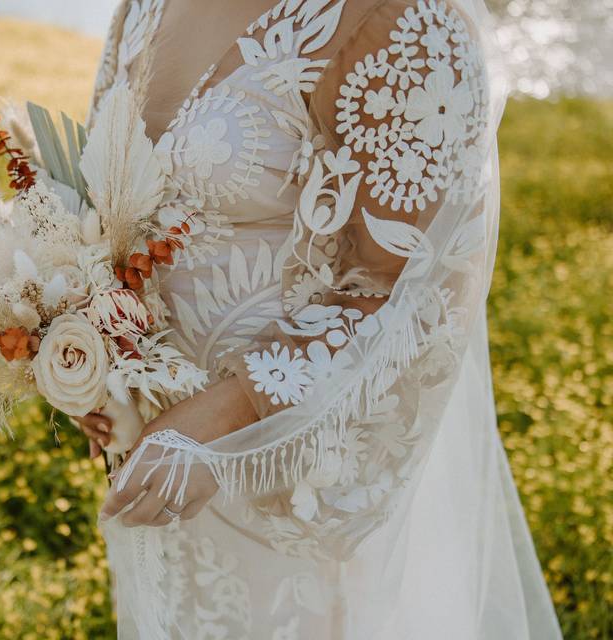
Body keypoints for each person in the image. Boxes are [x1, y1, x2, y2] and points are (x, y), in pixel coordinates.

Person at [75, 0, 563, 637]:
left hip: (289, 465)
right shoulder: (141, 8)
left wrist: (225, 416)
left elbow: (412, 290)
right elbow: (112, 212)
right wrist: (97, 358)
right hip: (157, 467)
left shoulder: (398, 17)